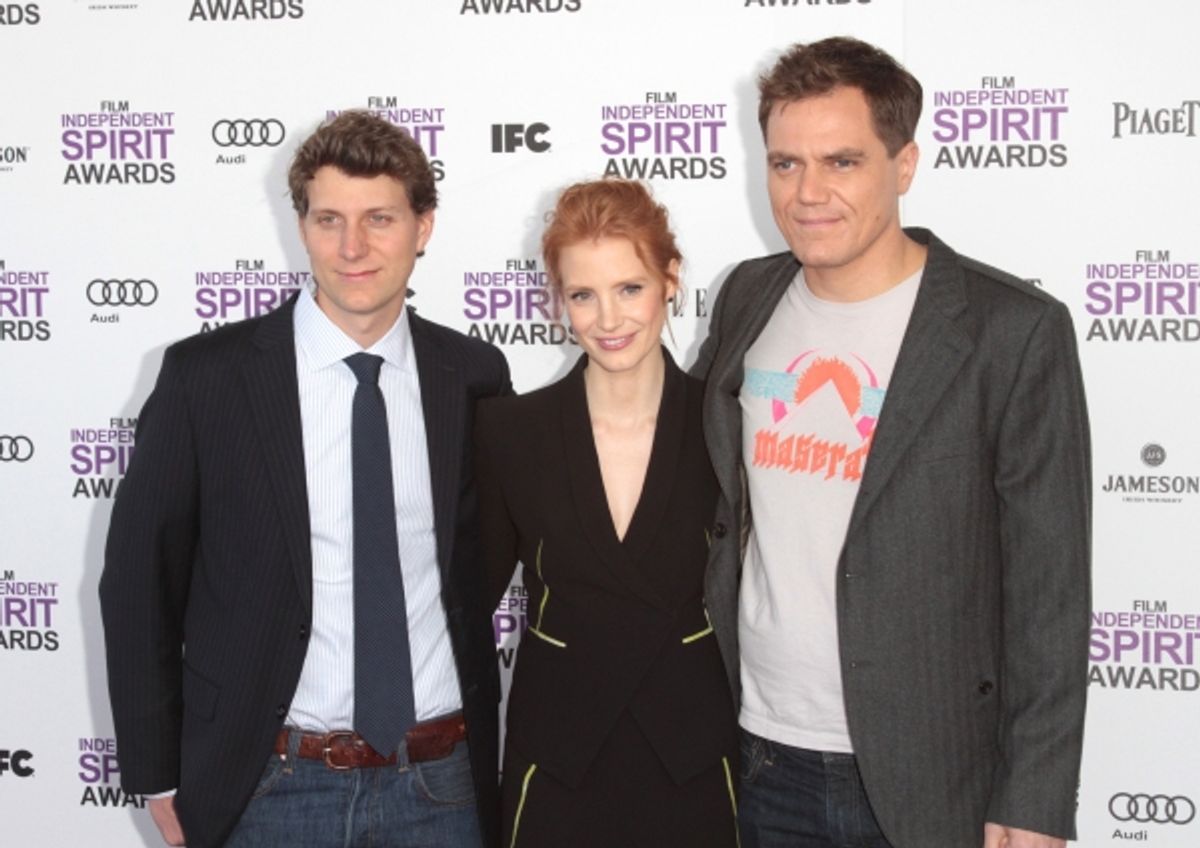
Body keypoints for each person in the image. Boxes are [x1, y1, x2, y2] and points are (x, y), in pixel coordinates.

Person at [692, 37, 1091, 848]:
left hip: (931, 773)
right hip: (757, 752)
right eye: (785, 164)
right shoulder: (748, 296)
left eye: (841, 162)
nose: (807, 193)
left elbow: (1049, 591)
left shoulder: (1011, 331)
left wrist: (1035, 797)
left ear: (903, 164)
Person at [99, 110, 510, 848]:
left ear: (423, 226)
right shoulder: (206, 380)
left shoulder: (473, 375)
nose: (353, 247)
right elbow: (137, 581)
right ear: (301, 227)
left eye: (379, 218)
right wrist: (157, 773)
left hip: (443, 784)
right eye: (329, 220)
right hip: (271, 785)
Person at [474, 179, 739, 848]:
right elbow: (465, 604)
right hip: (557, 759)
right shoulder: (510, 433)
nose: (608, 319)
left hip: (692, 754)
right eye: (583, 295)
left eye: (629, 288)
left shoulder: (728, 425)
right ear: (558, 300)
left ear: (670, 280)